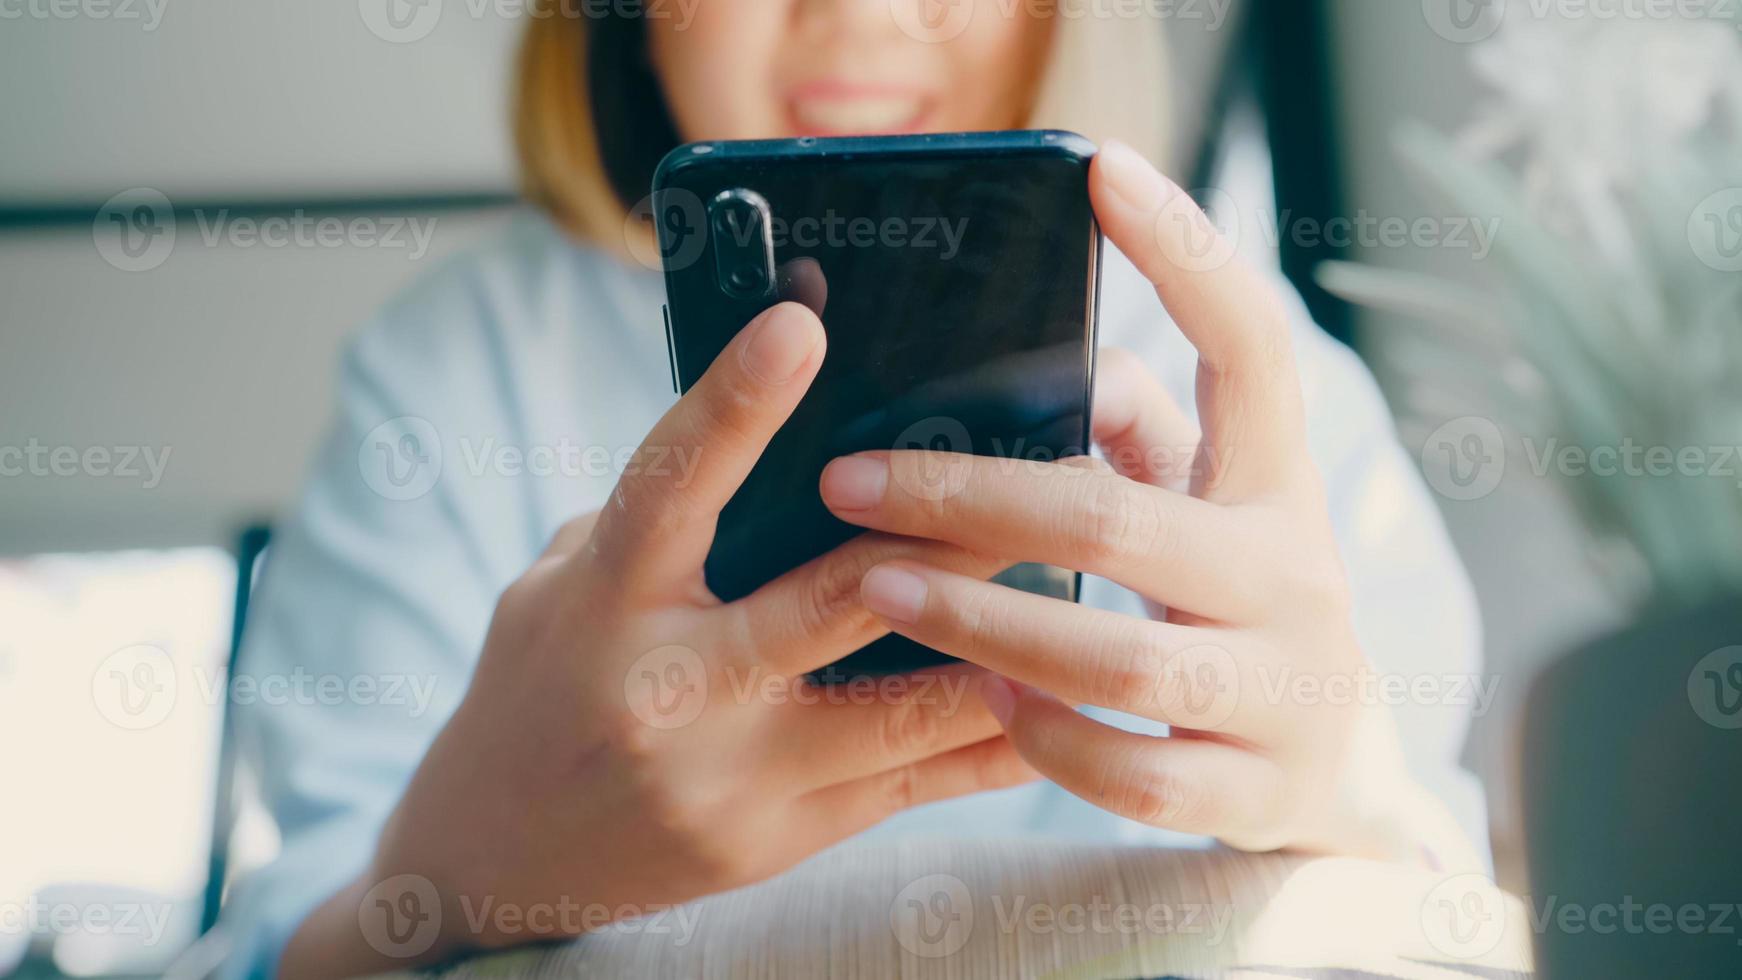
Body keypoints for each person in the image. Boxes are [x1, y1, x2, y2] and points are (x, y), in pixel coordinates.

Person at [224, 4, 1488, 977]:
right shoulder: (453, 373)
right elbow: (290, 928)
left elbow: (1444, 881)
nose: (860, 9)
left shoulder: (1253, 393)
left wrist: (1351, 804)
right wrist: (453, 869)